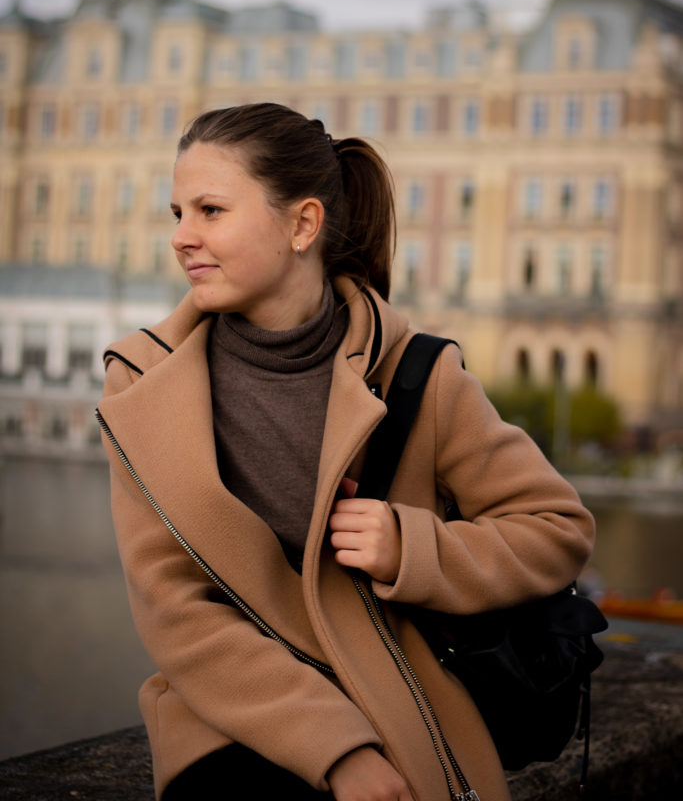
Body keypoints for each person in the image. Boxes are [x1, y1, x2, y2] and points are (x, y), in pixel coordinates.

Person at [97, 103, 595, 801]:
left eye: (210, 210)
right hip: (234, 718)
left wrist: (411, 549)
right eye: (177, 213)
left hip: (404, 702)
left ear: (303, 224)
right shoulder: (141, 384)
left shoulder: (416, 373)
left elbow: (557, 529)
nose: (181, 237)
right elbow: (177, 612)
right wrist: (337, 750)